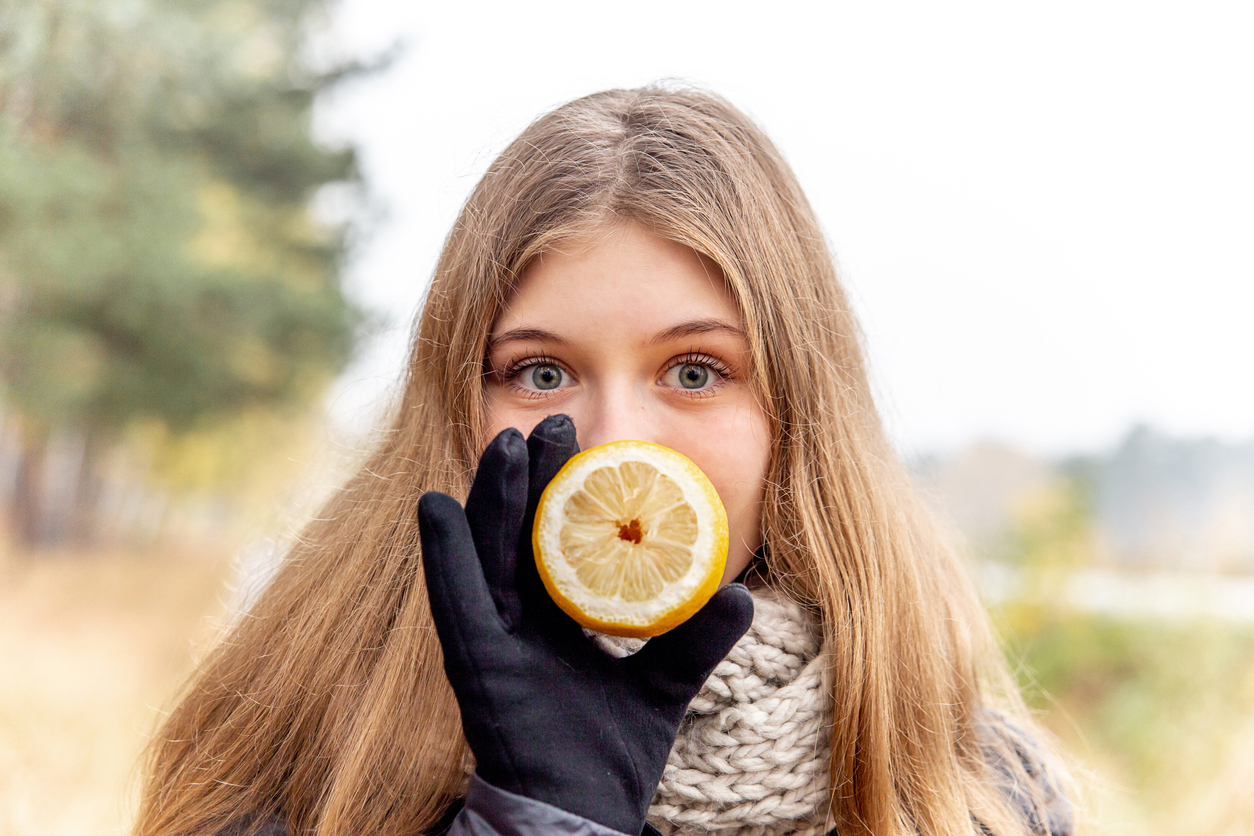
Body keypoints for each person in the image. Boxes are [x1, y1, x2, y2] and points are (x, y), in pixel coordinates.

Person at [135, 86, 1076, 836]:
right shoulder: (304, 768)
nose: (617, 442)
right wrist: (539, 817)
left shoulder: (978, 797)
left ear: (796, 416)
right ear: (456, 407)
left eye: (695, 371)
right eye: (541, 372)